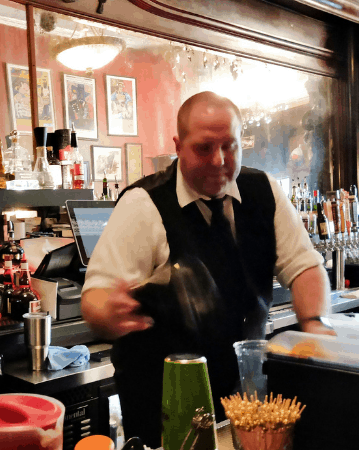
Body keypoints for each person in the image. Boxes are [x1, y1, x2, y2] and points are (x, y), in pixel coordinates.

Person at [80, 92, 334, 447]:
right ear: (178, 146)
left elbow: (305, 266)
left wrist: (315, 324)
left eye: (229, 146)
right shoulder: (143, 204)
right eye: (203, 148)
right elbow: (95, 295)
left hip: (243, 401)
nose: (219, 161)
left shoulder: (264, 191)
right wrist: (107, 310)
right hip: (165, 407)